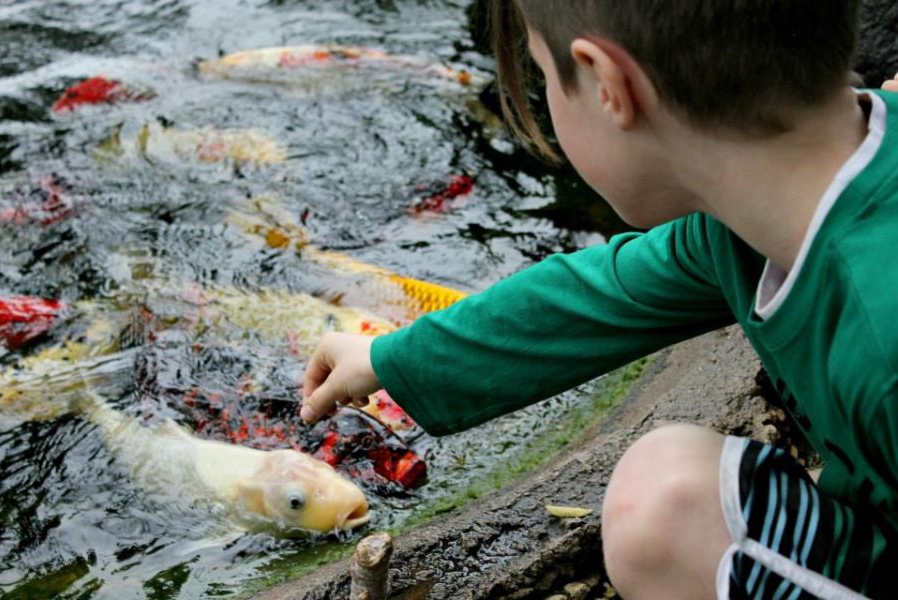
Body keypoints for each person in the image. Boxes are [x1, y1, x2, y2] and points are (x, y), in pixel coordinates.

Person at [300, 2, 898, 598]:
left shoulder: (883, 335)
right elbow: (595, 295)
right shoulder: (748, 226)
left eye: (542, 75)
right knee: (663, 499)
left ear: (609, 86)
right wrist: (387, 360)